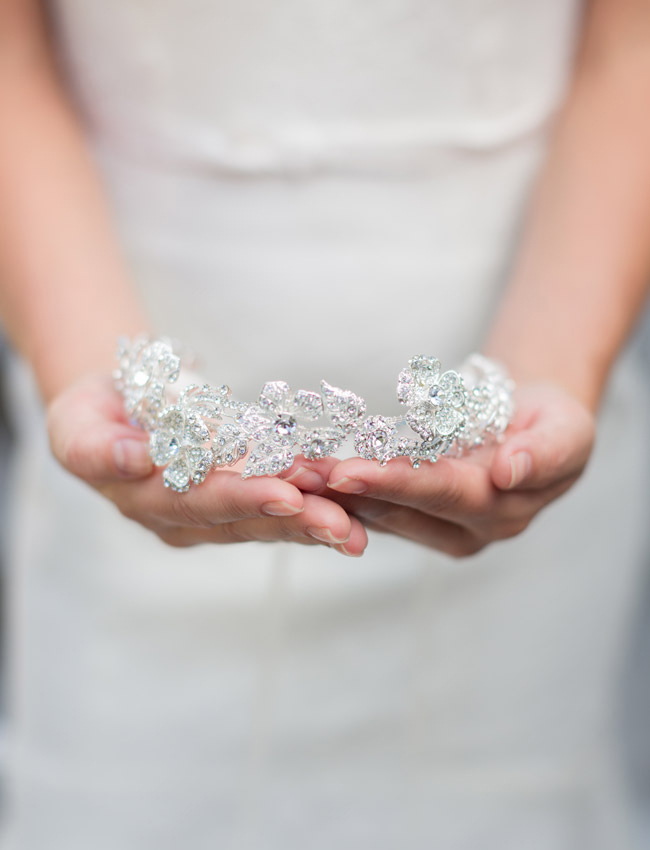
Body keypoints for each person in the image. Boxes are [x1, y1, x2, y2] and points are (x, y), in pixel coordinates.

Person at [0, 0, 649, 847]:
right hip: (107, 317)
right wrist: (88, 363)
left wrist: (553, 366)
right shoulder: (130, 412)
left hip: (546, 325)